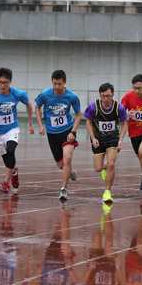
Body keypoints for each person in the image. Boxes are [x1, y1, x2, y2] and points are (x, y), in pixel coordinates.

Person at [35, 70, 82, 201]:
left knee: (67, 159)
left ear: (65, 82)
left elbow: (79, 114)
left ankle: (63, 189)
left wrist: (73, 131)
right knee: (62, 165)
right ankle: (69, 171)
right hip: (52, 133)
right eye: (54, 83)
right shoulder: (45, 94)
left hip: (67, 131)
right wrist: (40, 125)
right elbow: (37, 107)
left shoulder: (72, 96)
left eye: (59, 84)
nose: (57, 86)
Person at [84, 83, 128, 206]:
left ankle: (107, 192)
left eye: (108, 96)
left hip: (112, 139)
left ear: (113, 94)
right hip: (98, 140)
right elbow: (88, 122)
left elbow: (124, 123)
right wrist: (93, 138)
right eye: (103, 96)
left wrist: (120, 140)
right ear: (100, 95)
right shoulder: (93, 107)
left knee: (111, 163)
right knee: (98, 168)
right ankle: (105, 167)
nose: (106, 99)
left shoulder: (119, 108)